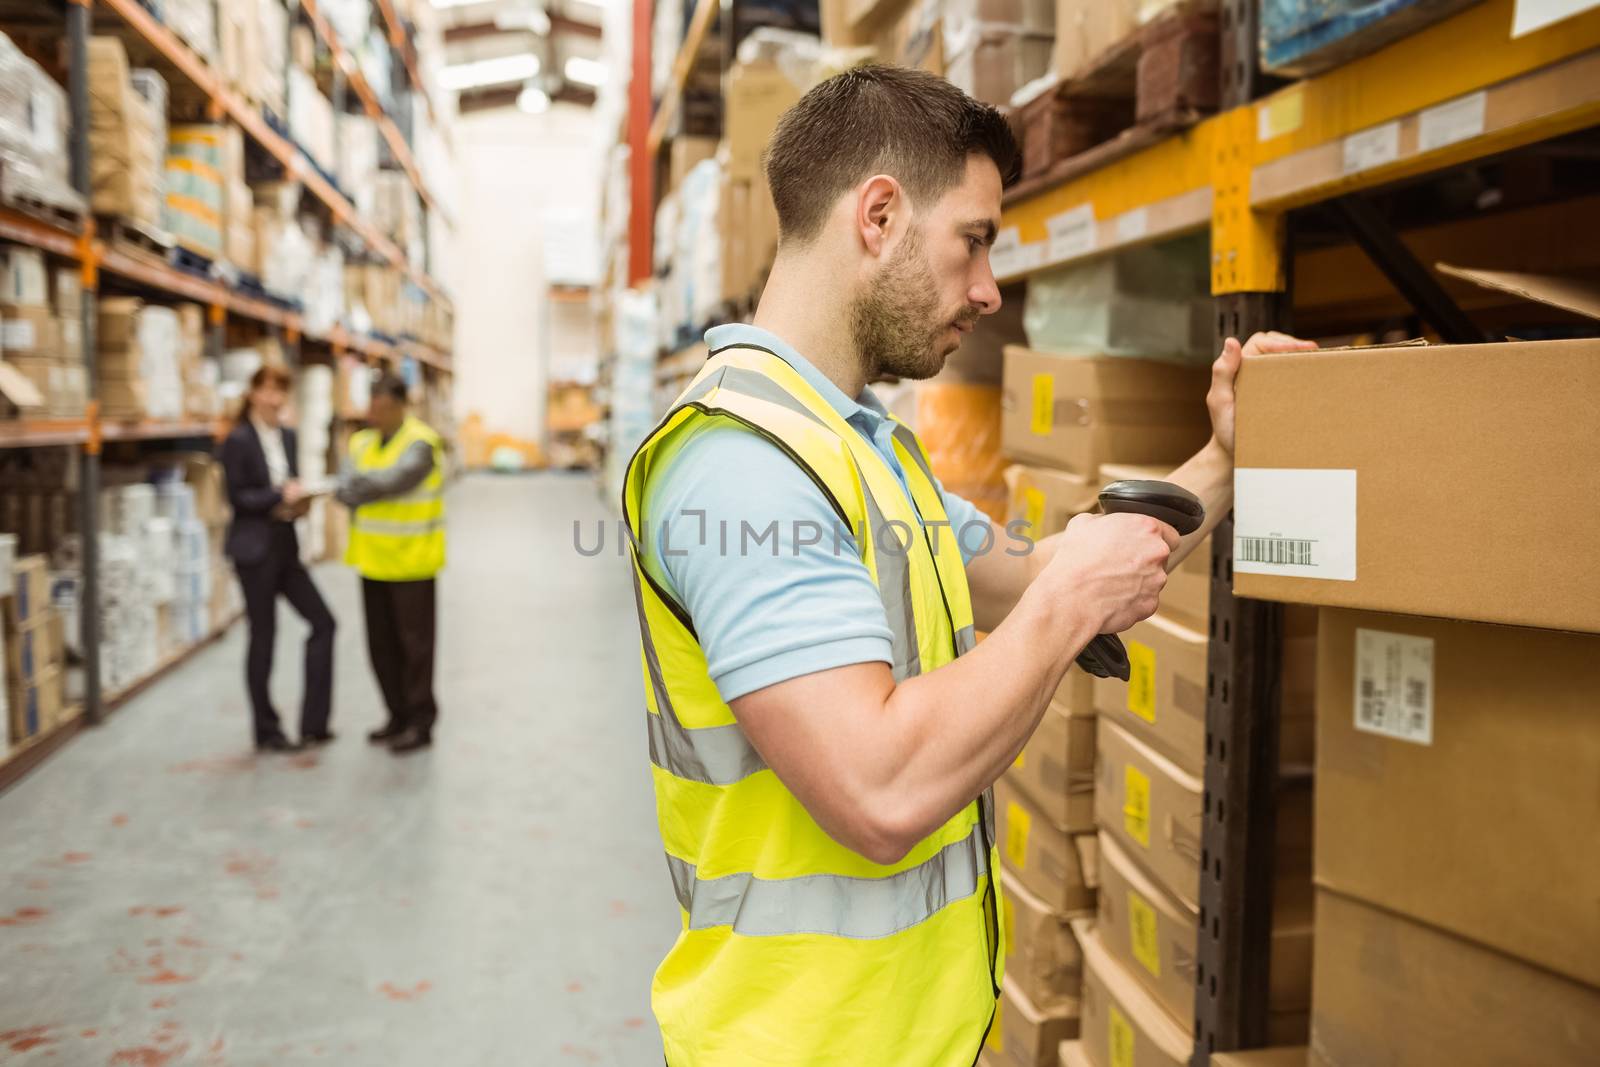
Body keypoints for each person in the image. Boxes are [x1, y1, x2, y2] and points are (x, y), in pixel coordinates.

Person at [621, 65, 1318, 1066]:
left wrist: (1221, 458)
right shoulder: (742, 466)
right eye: (975, 241)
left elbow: (1042, 572)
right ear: (877, 215)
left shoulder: (859, 450)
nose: (989, 289)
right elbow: (878, 790)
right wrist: (1069, 603)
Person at [220, 364, 337, 752]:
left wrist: (299, 503)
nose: (275, 399)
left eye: (281, 392)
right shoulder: (237, 440)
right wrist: (277, 497)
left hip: (285, 545)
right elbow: (238, 498)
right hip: (254, 550)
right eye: (268, 391)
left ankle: (313, 724)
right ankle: (266, 730)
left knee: (324, 622)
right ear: (253, 393)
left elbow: (289, 485)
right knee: (263, 637)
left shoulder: (287, 436)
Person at [335, 373, 446, 755]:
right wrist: (360, 485)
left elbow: (395, 482)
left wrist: (360, 486)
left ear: (401, 406)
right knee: (381, 648)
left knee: (415, 649)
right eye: (372, 406)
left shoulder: (422, 443)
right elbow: (342, 485)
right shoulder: (361, 441)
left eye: (382, 408)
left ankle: (420, 722)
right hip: (372, 562)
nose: (374, 415)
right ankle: (396, 715)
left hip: (413, 563)